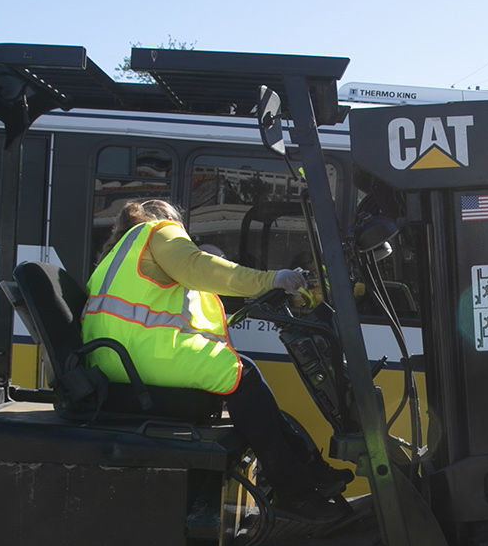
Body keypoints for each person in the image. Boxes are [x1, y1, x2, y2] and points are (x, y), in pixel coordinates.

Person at [80, 198, 345, 520]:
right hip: (140, 359)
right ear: (167, 218)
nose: (183, 233)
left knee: (245, 373)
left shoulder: (118, 253)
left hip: (115, 361)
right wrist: (270, 279)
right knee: (243, 377)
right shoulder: (158, 232)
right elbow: (201, 269)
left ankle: (309, 471)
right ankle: (297, 491)